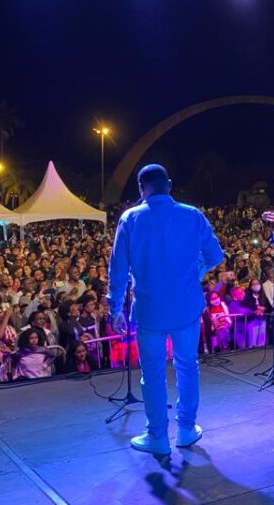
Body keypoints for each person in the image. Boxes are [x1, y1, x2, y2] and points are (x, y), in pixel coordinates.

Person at [108, 164, 224, 455]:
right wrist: (195, 272)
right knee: (187, 367)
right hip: (186, 307)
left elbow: (118, 268)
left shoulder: (130, 218)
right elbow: (215, 254)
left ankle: (157, 436)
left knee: (153, 373)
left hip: (149, 310)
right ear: (169, 185)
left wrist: (114, 307)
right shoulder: (192, 214)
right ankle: (186, 429)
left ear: (140, 188)